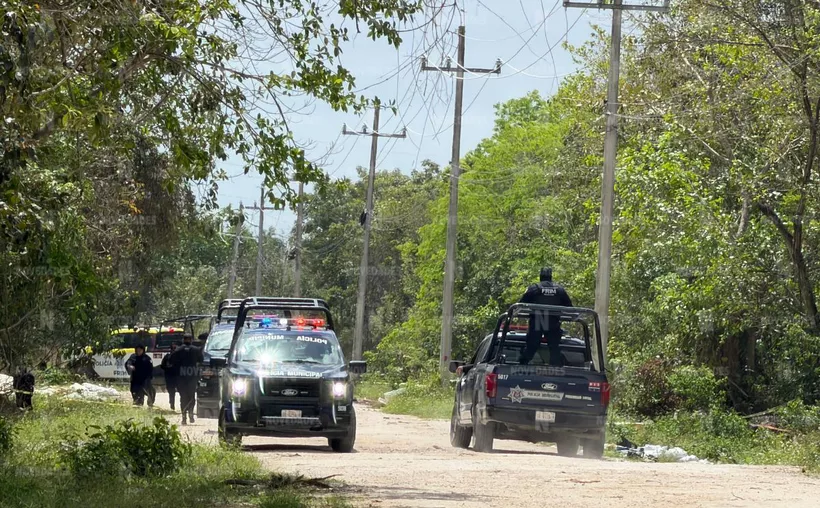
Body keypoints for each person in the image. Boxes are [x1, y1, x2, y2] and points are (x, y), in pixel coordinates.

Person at [518, 267, 573, 366]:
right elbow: (570, 307)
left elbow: (521, 304)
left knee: (532, 346)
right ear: (551, 277)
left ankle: (522, 364)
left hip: (538, 322)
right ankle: (556, 368)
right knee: (554, 347)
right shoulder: (559, 289)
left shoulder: (534, 288)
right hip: (553, 323)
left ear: (540, 276)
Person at [169, 334, 203, 425]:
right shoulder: (196, 350)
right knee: (191, 396)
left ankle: (184, 417)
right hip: (192, 376)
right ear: (191, 340)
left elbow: (170, 361)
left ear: (183, 340)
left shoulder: (177, 350)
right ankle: (191, 413)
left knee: (183, 397)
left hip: (181, 377)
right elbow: (201, 361)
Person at [160, 343, 180, 410]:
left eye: (175, 348)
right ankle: (172, 403)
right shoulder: (167, 356)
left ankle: (183, 404)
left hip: (178, 376)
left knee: (181, 391)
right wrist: (167, 367)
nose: (173, 350)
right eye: (172, 348)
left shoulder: (179, 356)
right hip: (169, 376)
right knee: (171, 391)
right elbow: (162, 365)